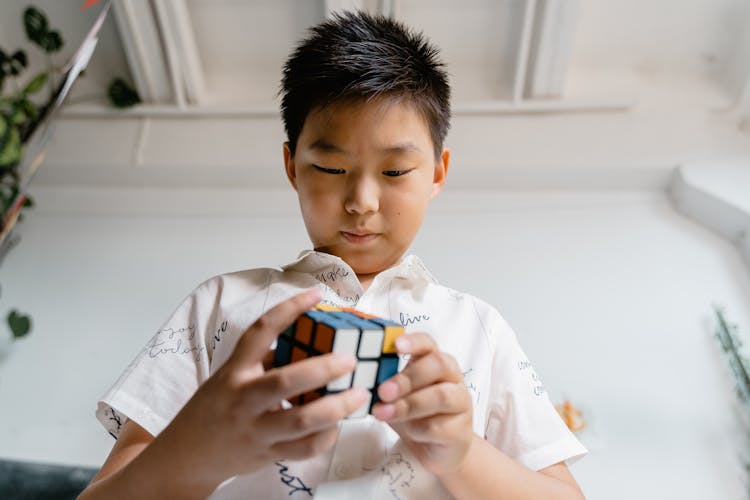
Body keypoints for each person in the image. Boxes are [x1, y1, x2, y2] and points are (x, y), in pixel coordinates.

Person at [78, 11, 586, 500]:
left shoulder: (482, 329)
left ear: (436, 173)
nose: (362, 202)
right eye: (330, 167)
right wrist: (201, 450)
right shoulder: (217, 304)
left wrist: (462, 453)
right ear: (292, 166)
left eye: (393, 172)